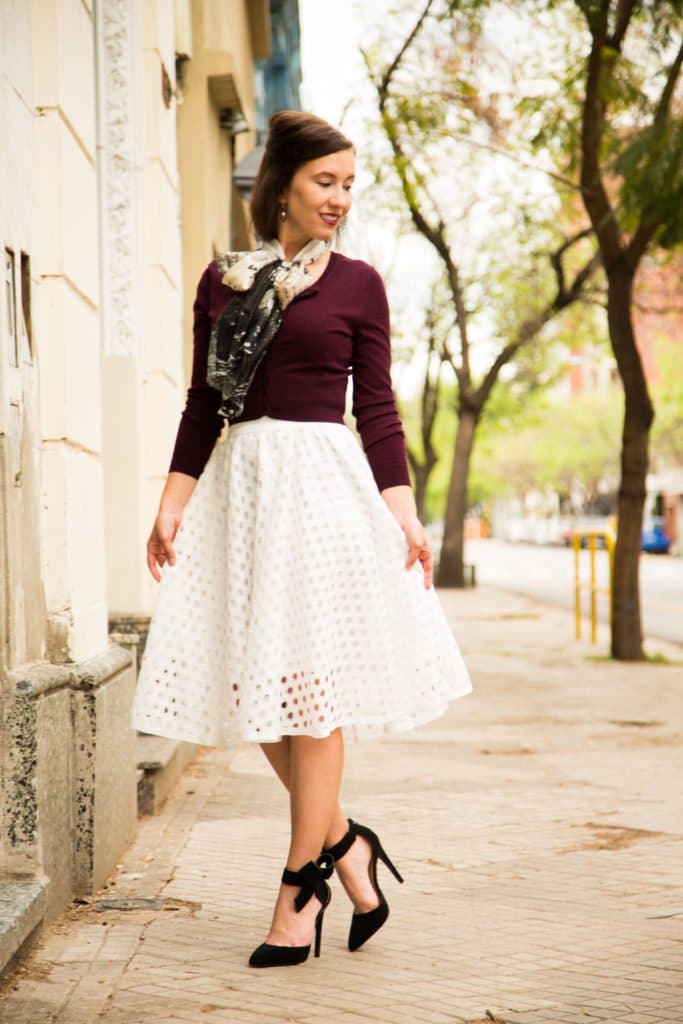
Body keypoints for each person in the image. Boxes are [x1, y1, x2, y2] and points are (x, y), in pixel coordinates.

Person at [132, 110, 472, 968]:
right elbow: (204, 404)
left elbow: (381, 410)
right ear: (278, 185)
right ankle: (348, 843)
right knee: (258, 688)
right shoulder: (226, 281)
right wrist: (173, 499)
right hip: (243, 490)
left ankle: (297, 890)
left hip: (319, 489)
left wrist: (402, 509)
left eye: (350, 184)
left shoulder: (358, 284)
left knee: (311, 690)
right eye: (326, 181)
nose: (340, 198)